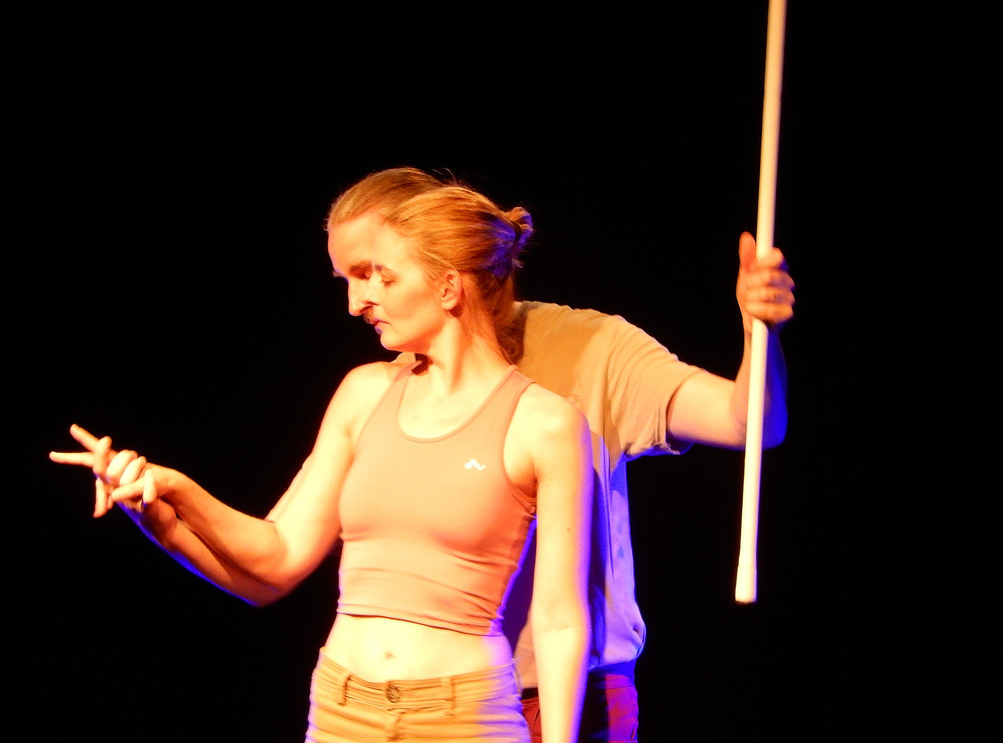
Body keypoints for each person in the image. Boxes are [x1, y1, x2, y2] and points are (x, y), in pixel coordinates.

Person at [50, 181, 595, 743]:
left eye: (381, 278)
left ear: (448, 286)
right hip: (343, 712)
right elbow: (275, 561)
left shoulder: (545, 424)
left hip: (463, 718)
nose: (357, 303)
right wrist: (168, 503)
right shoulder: (365, 393)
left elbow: (560, 621)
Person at [323, 168, 795, 742]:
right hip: (435, 705)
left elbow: (749, 422)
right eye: (350, 277)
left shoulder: (591, 348)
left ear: (440, 261)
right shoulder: (389, 385)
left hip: (568, 695)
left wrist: (758, 332)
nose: (358, 301)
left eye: (373, 271)